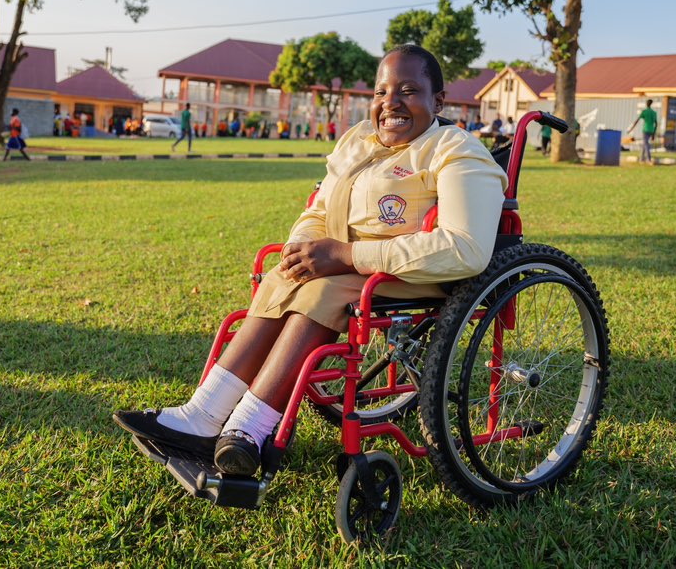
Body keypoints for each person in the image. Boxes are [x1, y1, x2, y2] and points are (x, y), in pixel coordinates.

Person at [113, 45, 508, 477]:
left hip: (411, 269)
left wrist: (345, 255)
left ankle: (249, 430)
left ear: (438, 101)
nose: (390, 103)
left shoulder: (455, 150)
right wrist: (302, 246)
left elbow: (464, 247)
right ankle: (204, 415)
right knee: (288, 275)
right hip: (346, 263)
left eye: (408, 90)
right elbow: (319, 209)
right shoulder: (359, 142)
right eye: (381, 92)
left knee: (322, 287)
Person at [628, 99, 658, 164]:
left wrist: (631, 129)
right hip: (652, 130)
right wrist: (653, 134)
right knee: (645, 144)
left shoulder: (644, 112)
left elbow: (637, 121)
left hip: (646, 130)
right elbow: (656, 124)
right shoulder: (654, 113)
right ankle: (641, 159)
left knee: (646, 144)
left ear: (646, 104)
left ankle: (649, 159)